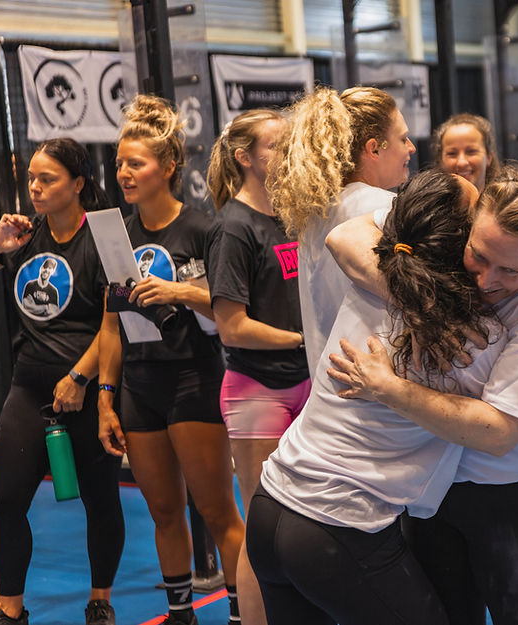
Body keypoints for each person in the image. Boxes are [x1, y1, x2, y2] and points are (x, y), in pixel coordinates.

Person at [326, 161, 518, 625]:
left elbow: (501, 432)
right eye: (478, 256)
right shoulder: (459, 227)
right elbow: (343, 237)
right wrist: (429, 305)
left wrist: (390, 389)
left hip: (509, 493)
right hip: (429, 484)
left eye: (509, 270)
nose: (486, 281)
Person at [97, 94, 244, 625]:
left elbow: (231, 310)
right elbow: (111, 325)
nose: (124, 172)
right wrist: (105, 399)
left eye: (135, 162)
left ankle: (239, 613)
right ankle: (180, 615)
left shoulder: (204, 229)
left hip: (194, 377)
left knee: (216, 509)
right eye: (119, 163)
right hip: (139, 386)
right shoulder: (115, 235)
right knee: (162, 511)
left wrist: (178, 292)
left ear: (169, 167)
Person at [0, 138, 123, 625]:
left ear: (78, 183)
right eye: (31, 178)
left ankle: (100, 599)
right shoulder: (24, 234)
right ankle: (10, 609)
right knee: (3, 499)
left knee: (101, 499)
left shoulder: (106, 236)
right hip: (29, 387)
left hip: (85, 386)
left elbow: (114, 323)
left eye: (47, 178)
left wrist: (81, 378)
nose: (34, 188)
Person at [205, 108, 310, 625]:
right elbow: (232, 326)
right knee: (261, 525)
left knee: (307, 517)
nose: (288, 153)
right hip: (257, 393)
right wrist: (303, 338)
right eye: (276, 146)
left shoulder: (291, 217)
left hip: (305, 383)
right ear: (245, 158)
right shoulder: (233, 226)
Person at [266, 85, 416, 376]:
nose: (411, 147)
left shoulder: (316, 215)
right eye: (403, 138)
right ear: (374, 148)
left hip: (328, 390)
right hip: (377, 400)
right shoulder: (385, 207)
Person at [431, 113, 500, 192]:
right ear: (440, 160)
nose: (462, 163)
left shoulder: (506, 203)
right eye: (452, 153)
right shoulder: (427, 204)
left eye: (471, 152)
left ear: (489, 157)